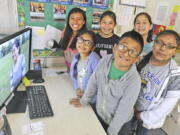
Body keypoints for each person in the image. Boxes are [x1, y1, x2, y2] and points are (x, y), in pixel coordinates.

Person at [70, 31, 144, 135]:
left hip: (120, 125)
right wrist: (84, 100)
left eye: (132, 52)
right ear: (114, 48)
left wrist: (111, 132)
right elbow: (93, 81)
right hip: (100, 114)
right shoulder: (105, 60)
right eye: (123, 47)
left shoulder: (134, 80)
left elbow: (123, 110)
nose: (126, 53)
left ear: (136, 58)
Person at [126, 30, 180, 135]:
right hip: (128, 107)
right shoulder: (141, 59)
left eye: (170, 46)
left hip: (147, 116)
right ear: (154, 43)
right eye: (159, 42)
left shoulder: (175, 75)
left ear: (175, 51)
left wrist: (141, 116)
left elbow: (167, 106)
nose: (163, 48)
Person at [70, 30, 100, 98]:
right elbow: (73, 75)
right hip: (80, 94)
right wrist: (77, 88)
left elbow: (99, 82)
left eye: (88, 43)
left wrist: (87, 95)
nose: (83, 44)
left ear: (93, 47)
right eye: (81, 40)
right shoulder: (76, 57)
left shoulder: (95, 60)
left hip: (91, 98)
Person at [59, 7, 87, 72]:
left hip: (80, 71)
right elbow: (65, 53)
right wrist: (68, 69)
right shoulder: (65, 33)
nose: (75, 22)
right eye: (72, 18)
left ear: (83, 22)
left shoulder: (86, 37)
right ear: (68, 20)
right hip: (69, 69)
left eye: (79, 19)